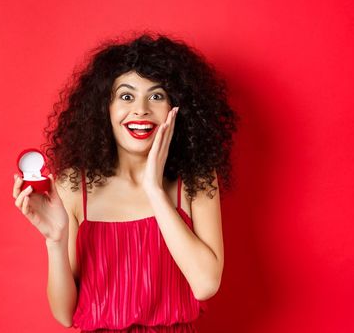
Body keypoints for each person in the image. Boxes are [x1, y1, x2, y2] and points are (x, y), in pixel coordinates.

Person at [12, 33, 238, 332]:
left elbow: (205, 285)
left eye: (156, 96)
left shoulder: (195, 180)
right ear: (104, 108)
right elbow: (65, 315)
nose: (141, 109)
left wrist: (155, 190)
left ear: (176, 107)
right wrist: (55, 240)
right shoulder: (74, 186)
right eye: (126, 96)